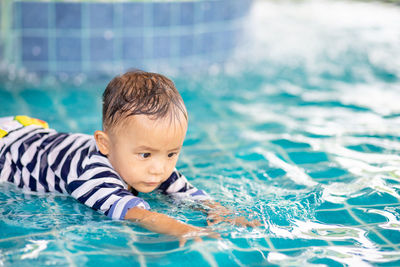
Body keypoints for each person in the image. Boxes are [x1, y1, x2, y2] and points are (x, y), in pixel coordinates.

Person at [0, 71, 260, 246]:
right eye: (145, 154)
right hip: (9, 149)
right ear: (105, 145)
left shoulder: (153, 164)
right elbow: (134, 213)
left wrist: (219, 210)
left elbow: (187, 193)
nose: (159, 169)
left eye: (172, 153)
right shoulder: (90, 173)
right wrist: (181, 229)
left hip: (34, 132)